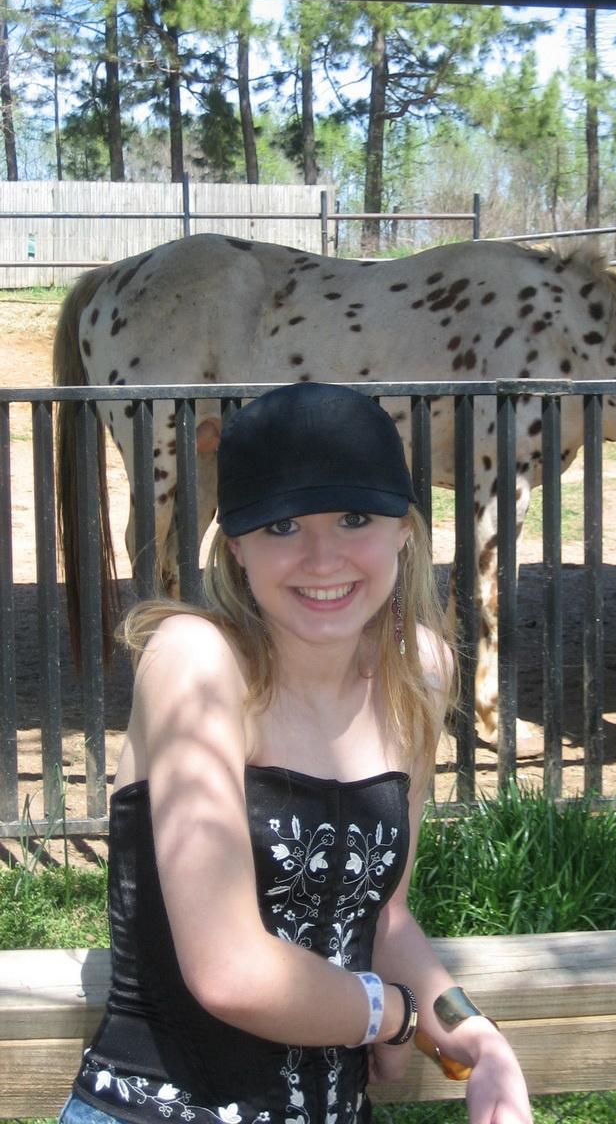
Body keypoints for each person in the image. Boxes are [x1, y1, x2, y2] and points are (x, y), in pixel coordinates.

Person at [59, 382, 532, 1124]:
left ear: (403, 529)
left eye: (353, 518)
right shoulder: (197, 663)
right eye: (281, 526)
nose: (322, 558)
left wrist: (475, 1032)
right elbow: (229, 972)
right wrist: (393, 1016)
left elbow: (386, 920)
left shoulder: (418, 669)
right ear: (236, 544)